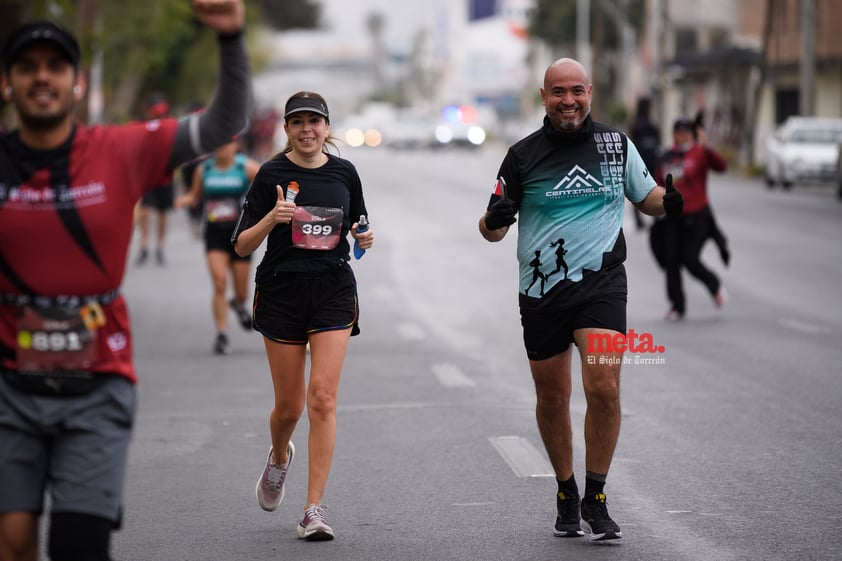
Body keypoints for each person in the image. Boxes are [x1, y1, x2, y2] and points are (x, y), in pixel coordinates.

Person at [0, 2, 250, 560]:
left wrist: (232, 40)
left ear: (75, 81)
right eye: (27, 66)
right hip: (8, 390)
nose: (42, 76)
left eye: (55, 66)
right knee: (12, 544)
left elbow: (221, 123)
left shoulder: (121, 149)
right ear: (8, 85)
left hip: (96, 390)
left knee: (78, 547)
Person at [478, 58, 683, 541]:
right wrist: (495, 218)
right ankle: (566, 490)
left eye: (576, 91)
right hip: (543, 289)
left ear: (589, 92)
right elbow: (491, 230)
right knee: (553, 396)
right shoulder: (522, 156)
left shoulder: (616, 144)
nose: (568, 101)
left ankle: (596, 494)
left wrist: (667, 202)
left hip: (602, 284)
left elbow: (646, 194)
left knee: (605, 386)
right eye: (558, 93)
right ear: (544, 97)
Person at [233, 91, 374, 541]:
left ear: (327, 128)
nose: (307, 129)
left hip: (332, 291)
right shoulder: (271, 174)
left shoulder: (344, 173)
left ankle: (313, 508)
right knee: (290, 407)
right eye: (298, 122)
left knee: (323, 398)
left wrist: (363, 238)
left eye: (315, 121)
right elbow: (241, 245)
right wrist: (273, 217)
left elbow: (357, 229)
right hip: (281, 294)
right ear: (287, 129)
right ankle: (278, 457)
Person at [175, 138, 260, 354]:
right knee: (219, 282)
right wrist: (185, 200)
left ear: (235, 145)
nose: (221, 147)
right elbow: (195, 197)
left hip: (241, 235)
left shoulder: (247, 167)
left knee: (241, 291)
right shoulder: (204, 169)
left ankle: (238, 304)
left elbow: (266, 189)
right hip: (214, 234)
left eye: (226, 143)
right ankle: (222, 334)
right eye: (218, 142)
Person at [656, 117, 728, 321]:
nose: (682, 135)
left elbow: (721, 166)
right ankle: (677, 306)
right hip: (672, 218)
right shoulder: (667, 156)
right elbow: (656, 181)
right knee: (671, 262)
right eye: (679, 132)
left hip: (697, 217)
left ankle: (714, 286)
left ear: (692, 134)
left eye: (686, 132)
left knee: (690, 258)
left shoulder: (700, 152)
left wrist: (708, 148)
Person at [135, 93, 175, 266]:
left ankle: (160, 247)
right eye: (155, 111)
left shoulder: (170, 125)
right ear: (148, 111)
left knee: (162, 212)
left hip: (166, 173)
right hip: (148, 174)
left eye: (161, 111)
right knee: (145, 210)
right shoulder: (142, 125)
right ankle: (144, 246)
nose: (158, 114)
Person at [629, 97, 661, 230]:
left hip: (642, 159)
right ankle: (656, 217)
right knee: (652, 188)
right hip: (649, 159)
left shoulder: (636, 124)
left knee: (638, 190)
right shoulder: (646, 124)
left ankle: (639, 220)